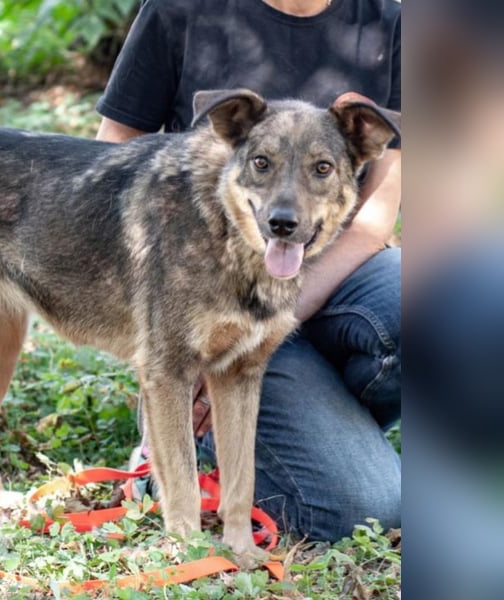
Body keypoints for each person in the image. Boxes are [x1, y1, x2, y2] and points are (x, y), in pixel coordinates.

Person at [95, 0, 401, 542]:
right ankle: (219, 435)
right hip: (214, 291)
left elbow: (372, 222)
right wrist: (167, 317)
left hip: (327, 280)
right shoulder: (181, 11)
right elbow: (112, 158)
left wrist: (273, 326)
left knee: (455, 304)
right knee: (368, 505)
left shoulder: (390, 22)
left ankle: (314, 417)